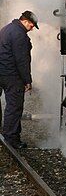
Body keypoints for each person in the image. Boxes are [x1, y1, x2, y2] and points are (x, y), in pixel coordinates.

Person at [0, 11, 39, 148]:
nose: (32, 28)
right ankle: (11, 139)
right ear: (26, 21)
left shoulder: (6, 29)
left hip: (2, 72)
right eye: (32, 25)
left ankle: (5, 132)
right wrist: (27, 80)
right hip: (12, 76)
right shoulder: (19, 35)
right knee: (14, 107)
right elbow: (22, 60)